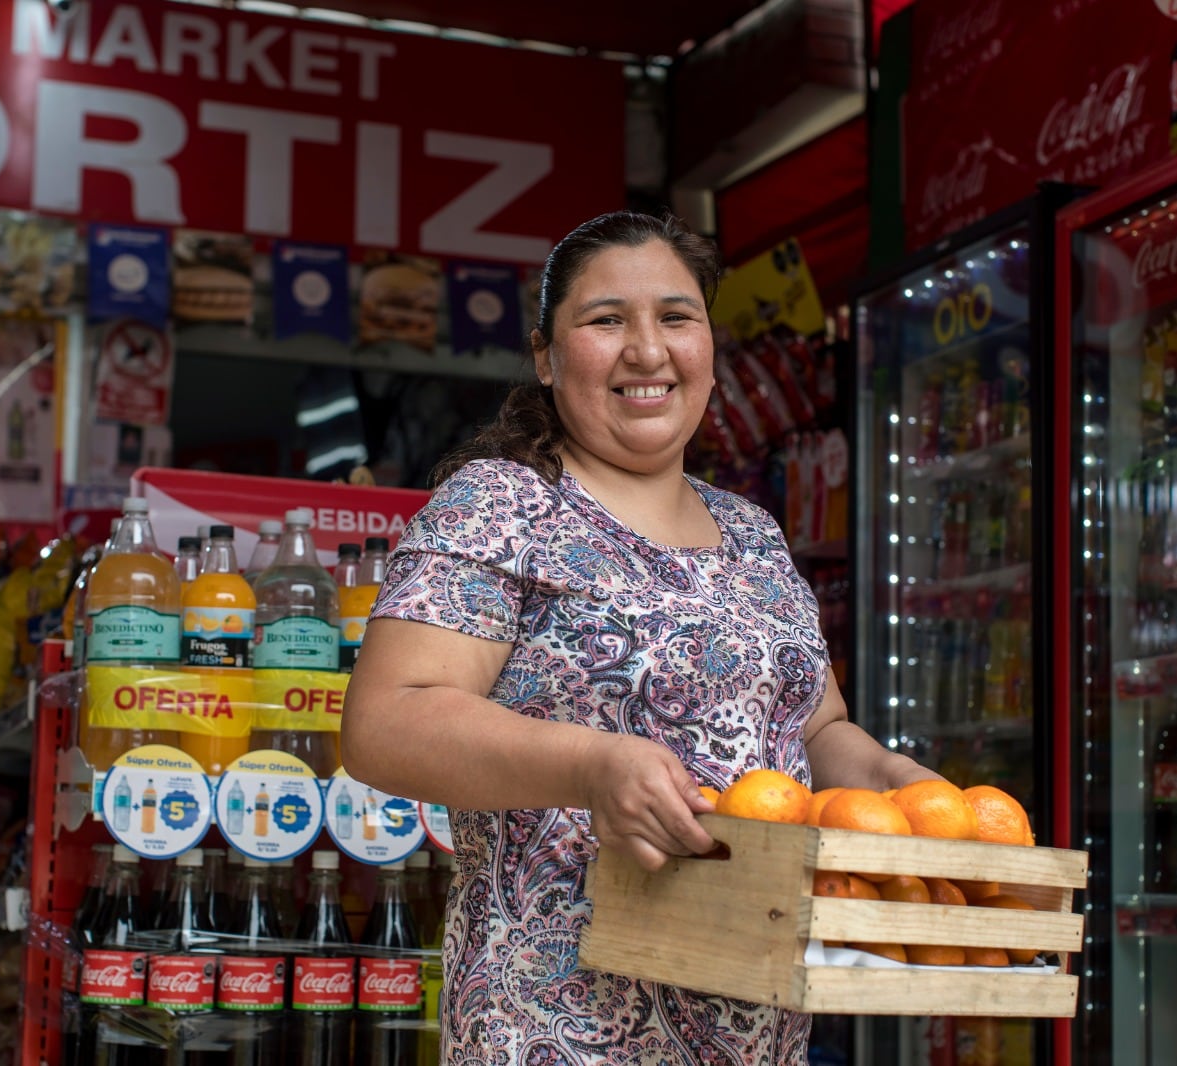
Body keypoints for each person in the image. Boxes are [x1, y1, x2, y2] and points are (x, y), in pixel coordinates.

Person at [341, 211, 941, 1064]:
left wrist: (895, 781)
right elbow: (384, 724)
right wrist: (593, 766)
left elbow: (813, 730)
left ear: (708, 346)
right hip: (556, 1028)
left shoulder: (754, 535)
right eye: (605, 320)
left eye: (675, 316)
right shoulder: (502, 505)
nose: (647, 349)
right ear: (547, 357)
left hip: (756, 1032)